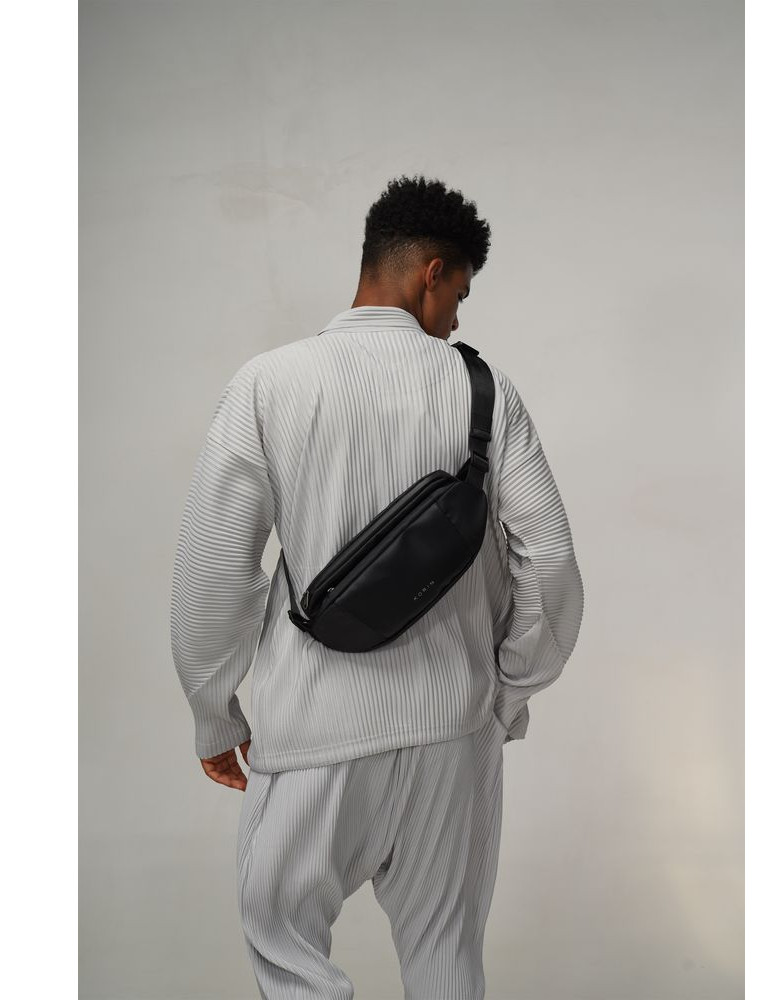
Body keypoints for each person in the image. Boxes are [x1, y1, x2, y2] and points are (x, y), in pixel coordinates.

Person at [169, 174, 585, 999]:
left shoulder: (270, 383)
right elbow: (550, 561)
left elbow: (215, 568)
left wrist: (214, 712)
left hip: (313, 732)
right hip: (455, 739)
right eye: (459, 294)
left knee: (288, 954)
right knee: (446, 960)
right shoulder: (485, 390)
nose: (458, 319)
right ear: (432, 272)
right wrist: (504, 692)